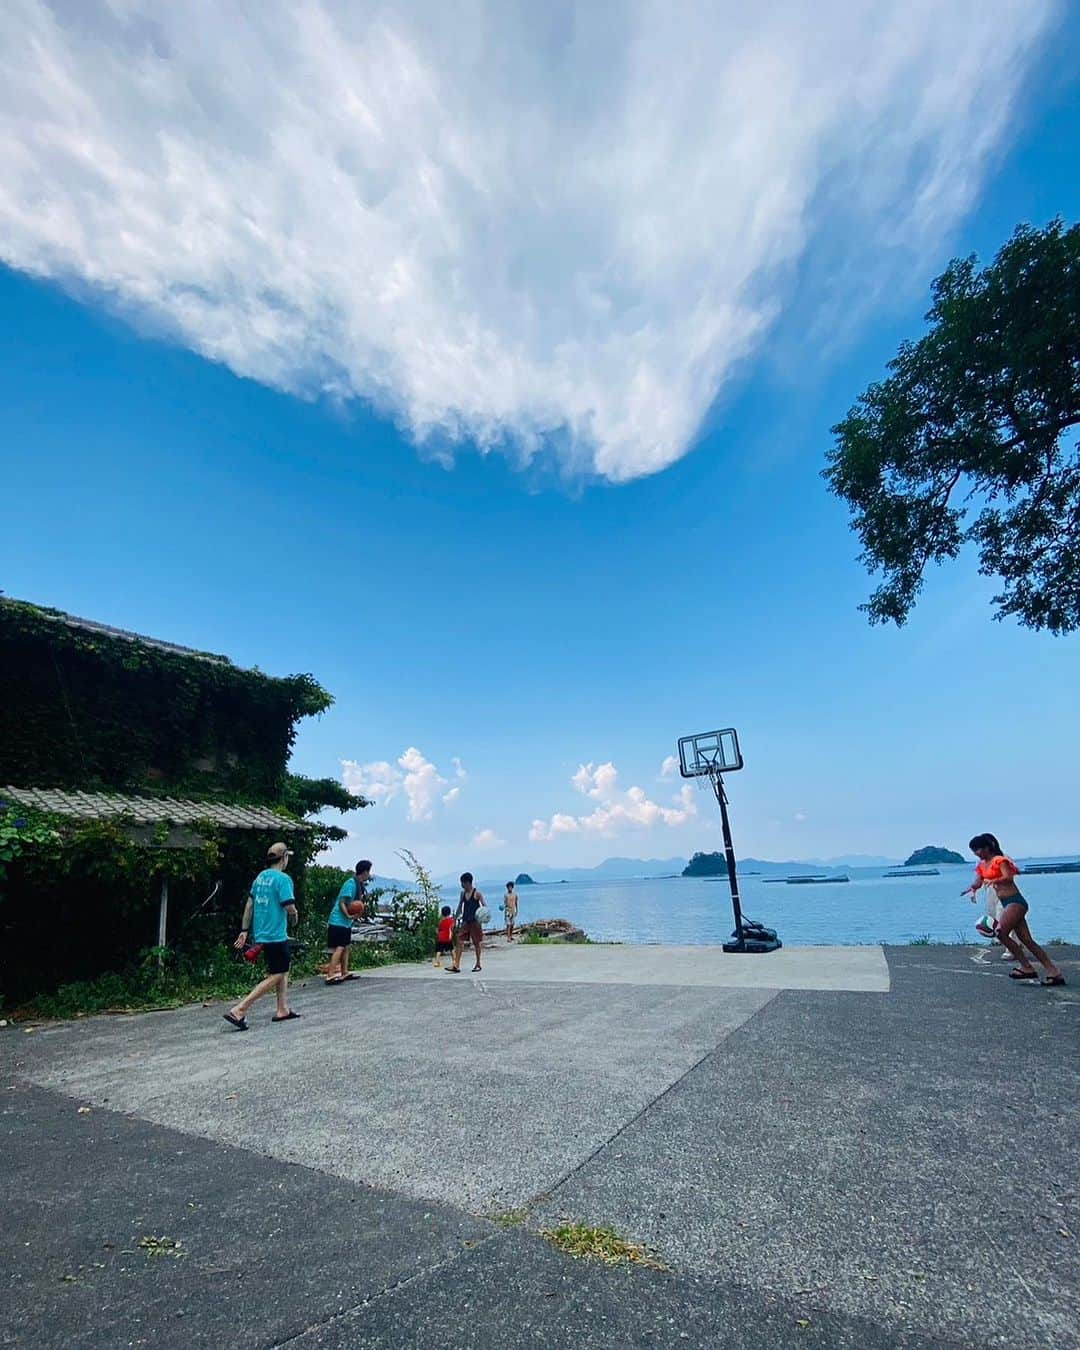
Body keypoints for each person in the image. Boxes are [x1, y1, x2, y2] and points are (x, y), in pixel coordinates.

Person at [964, 834, 1065, 986]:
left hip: (1015, 902)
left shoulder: (1000, 860)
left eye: (978, 849)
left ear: (987, 847)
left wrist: (993, 880)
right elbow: (978, 881)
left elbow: (1008, 877)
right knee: (1028, 941)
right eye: (974, 851)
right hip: (1007, 903)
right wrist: (973, 889)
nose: (976, 853)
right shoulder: (982, 865)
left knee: (1000, 932)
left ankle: (1026, 967)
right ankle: (1054, 972)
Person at [225, 842, 300, 1029]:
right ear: (284, 858)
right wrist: (295, 915)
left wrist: (244, 930)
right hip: (276, 934)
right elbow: (288, 906)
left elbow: (249, 905)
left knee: (282, 969)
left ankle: (282, 1009)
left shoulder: (260, 878)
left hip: (261, 933)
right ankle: (240, 1009)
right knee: (278, 973)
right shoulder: (283, 879)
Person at [326, 860, 372, 985]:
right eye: (369, 871)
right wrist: (348, 915)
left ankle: (344, 971)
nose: (369, 875)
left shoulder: (359, 885)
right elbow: (342, 902)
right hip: (338, 921)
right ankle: (330, 975)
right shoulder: (351, 884)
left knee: (346, 947)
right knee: (339, 947)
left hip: (345, 922)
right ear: (365, 872)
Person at [447, 872, 484, 974]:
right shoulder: (463, 894)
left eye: (462, 883)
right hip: (465, 921)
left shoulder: (477, 893)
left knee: (476, 943)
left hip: (475, 922)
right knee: (459, 940)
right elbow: (460, 907)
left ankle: (478, 964)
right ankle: (456, 965)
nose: (461, 885)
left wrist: (482, 918)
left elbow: (484, 906)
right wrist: (454, 920)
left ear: (468, 883)